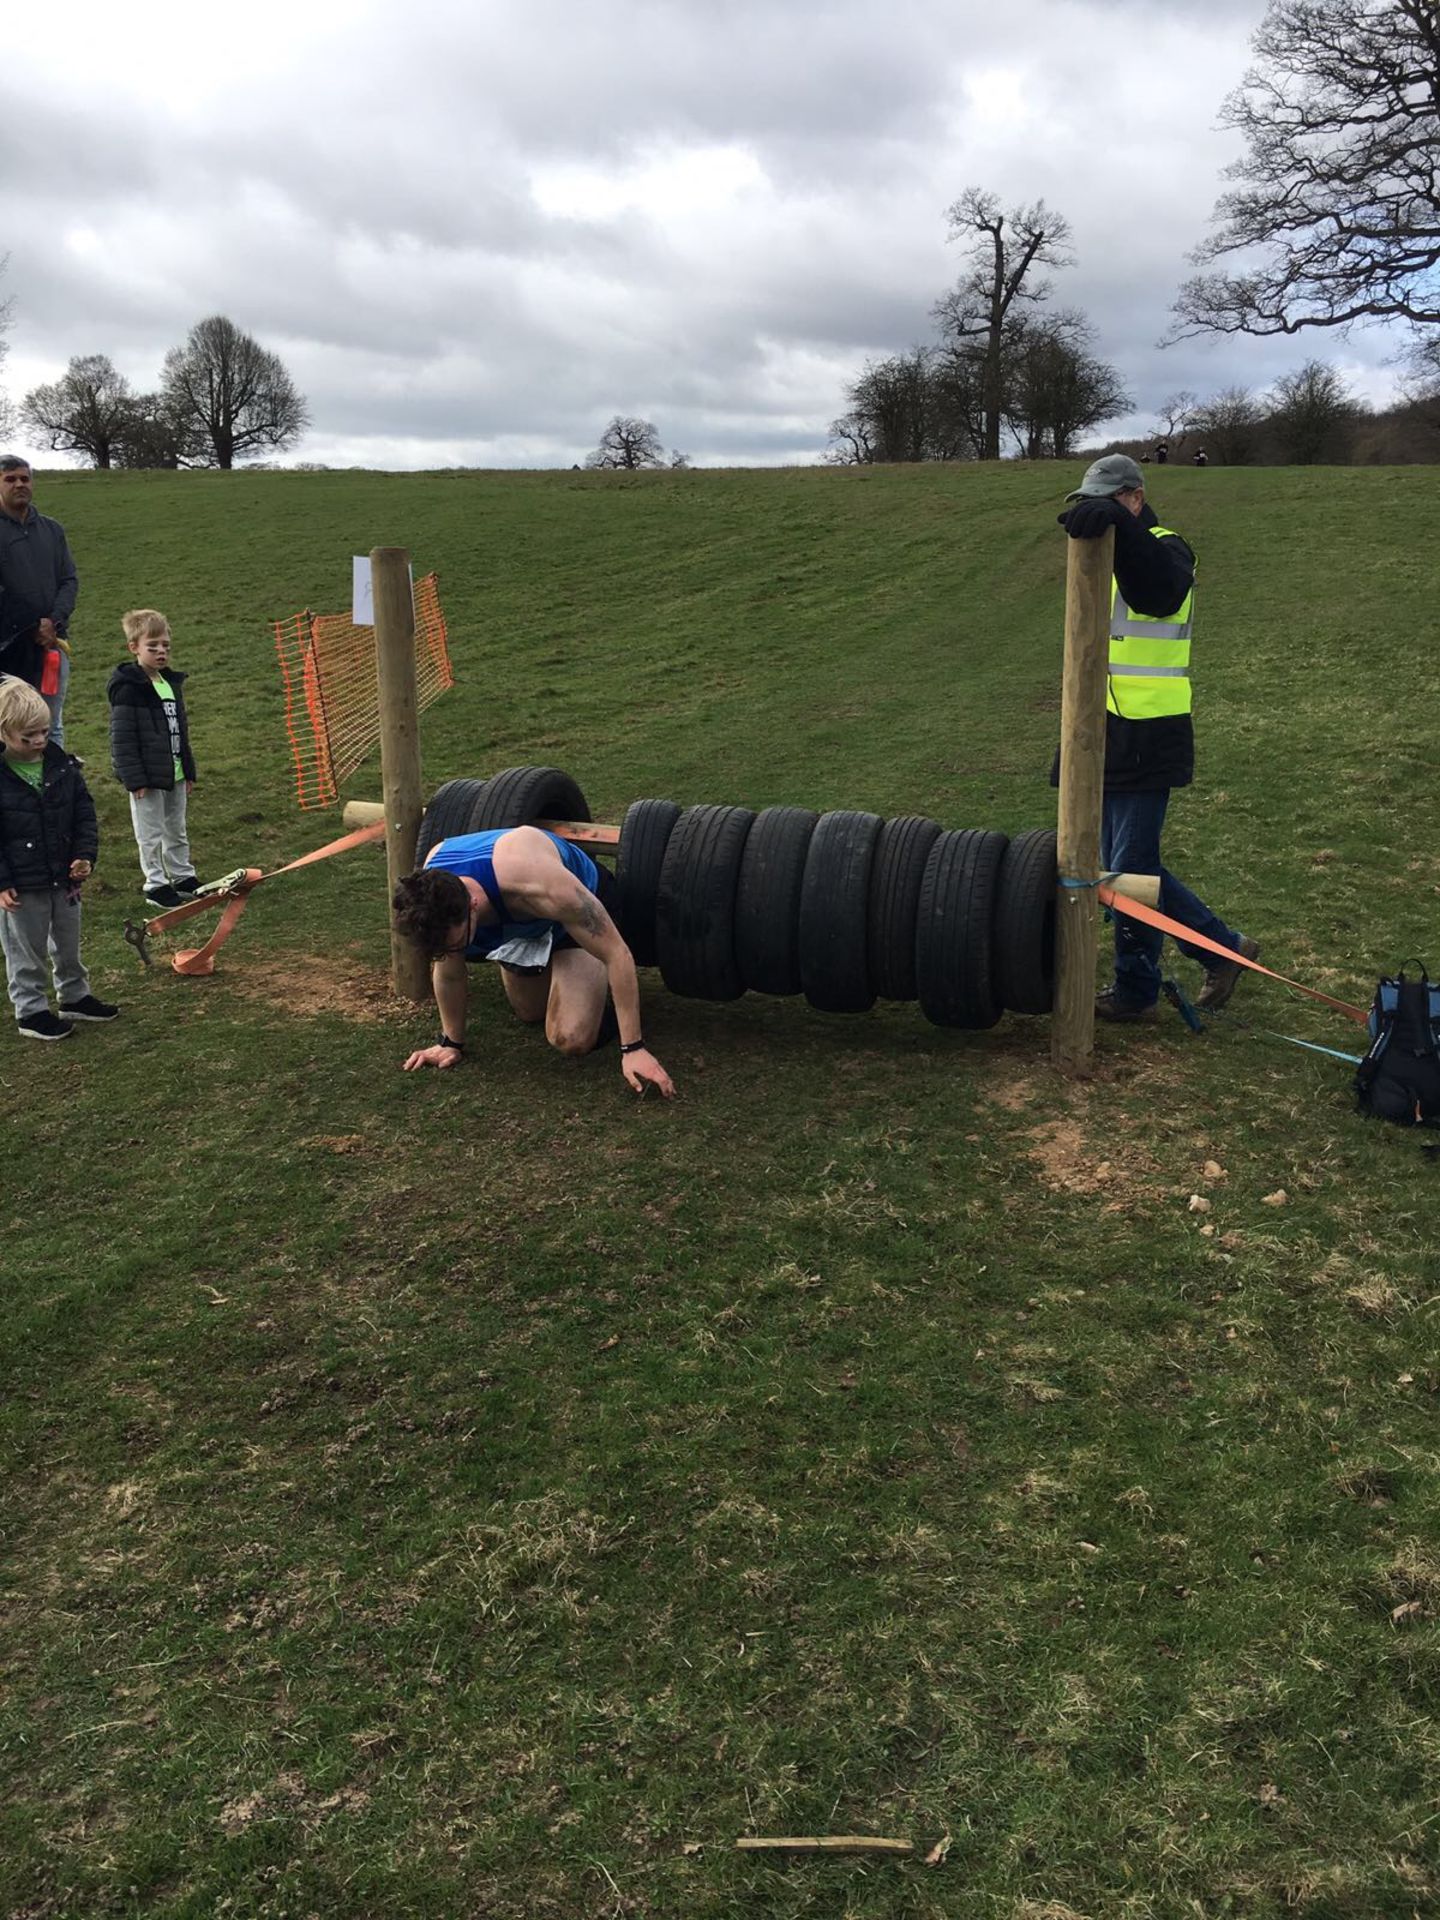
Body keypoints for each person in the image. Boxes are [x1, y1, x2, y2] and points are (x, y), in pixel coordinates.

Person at [1056, 452, 1257, 1022]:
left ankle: (1140, 988)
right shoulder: (1107, 550)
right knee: (1114, 864)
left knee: (1131, 869)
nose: (1096, 516)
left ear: (1136, 498)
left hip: (1150, 733)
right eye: (1089, 506)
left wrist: (1122, 527)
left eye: (1108, 504)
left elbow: (1156, 594)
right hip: (1101, 731)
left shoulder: (1168, 549)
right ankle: (1225, 948)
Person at [393, 825, 676, 1096]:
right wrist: (450, 1042)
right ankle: (571, 979)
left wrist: (633, 1048)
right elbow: (450, 972)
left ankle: (605, 1003)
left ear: (472, 905)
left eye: (457, 945)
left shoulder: (541, 887)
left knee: (571, 1037)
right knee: (530, 1011)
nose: (454, 953)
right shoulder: (435, 889)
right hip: (523, 923)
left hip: (574, 911)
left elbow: (618, 953)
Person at [0, 678, 118, 1040]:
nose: (38, 741)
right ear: (3, 732)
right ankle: (31, 1011)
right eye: (28, 736)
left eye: (44, 732)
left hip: (65, 878)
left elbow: (83, 813)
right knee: (26, 949)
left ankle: (74, 995)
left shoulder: (62, 766)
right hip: (22, 885)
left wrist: (84, 855)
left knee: (68, 940)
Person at [107, 609, 200, 909]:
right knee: (150, 832)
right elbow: (122, 739)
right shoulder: (127, 688)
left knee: (176, 827)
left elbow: (181, 731)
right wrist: (133, 778)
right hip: (146, 777)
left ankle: (182, 876)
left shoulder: (170, 684)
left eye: (166, 646)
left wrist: (187, 770)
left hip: (174, 773)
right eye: (153, 646)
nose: (161, 651)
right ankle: (156, 884)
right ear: (134, 647)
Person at [0, 458, 79, 747]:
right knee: (10, 725)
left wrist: (53, 623)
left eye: (24, 478)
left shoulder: (52, 530)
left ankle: (53, 789)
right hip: (9, 648)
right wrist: (33, 624)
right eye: (10, 479)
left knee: (50, 723)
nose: (19, 484)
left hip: (51, 645)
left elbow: (69, 580)